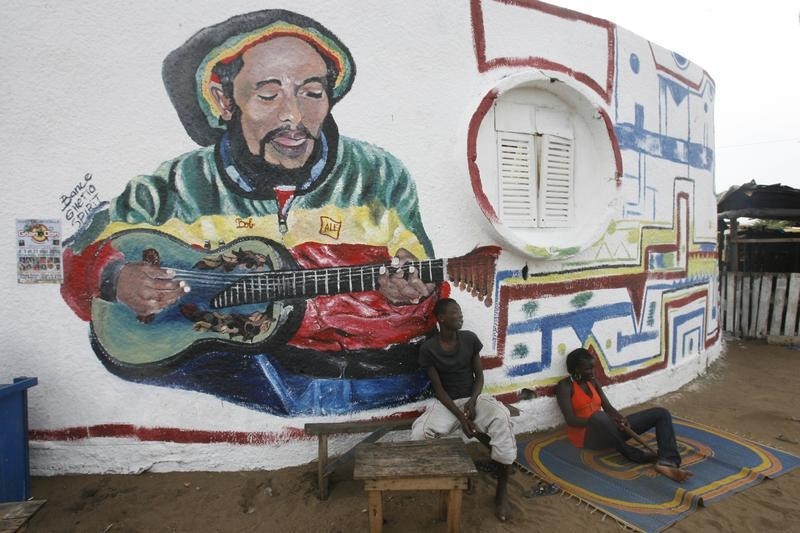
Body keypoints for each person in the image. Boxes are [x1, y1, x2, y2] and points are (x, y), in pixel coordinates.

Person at [60, 10, 439, 415]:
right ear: (225, 101)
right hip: (226, 383)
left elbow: (418, 267)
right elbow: (71, 258)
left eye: (312, 92)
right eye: (268, 95)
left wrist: (413, 291)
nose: (293, 117)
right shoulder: (178, 184)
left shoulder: (379, 175)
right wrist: (116, 277)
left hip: (364, 377)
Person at [411, 298, 516, 521]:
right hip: (447, 403)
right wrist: (461, 416)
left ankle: (502, 490)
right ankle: (455, 473)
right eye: (455, 313)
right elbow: (438, 389)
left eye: (460, 312)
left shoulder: (469, 339)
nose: (460, 316)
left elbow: (479, 377)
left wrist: (473, 401)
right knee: (420, 433)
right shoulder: (428, 349)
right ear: (441, 318)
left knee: (502, 417)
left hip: (473, 398)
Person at [556, 348, 692, 482]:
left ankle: (668, 461)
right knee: (598, 417)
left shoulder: (593, 382)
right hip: (588, 438)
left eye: (593, 368)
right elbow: (571, 420)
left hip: (609, 430)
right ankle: (635, 454)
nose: (592, 372)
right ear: (576, 370)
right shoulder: (565, 387)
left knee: (661, 413)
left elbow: (608, 408)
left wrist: (620, 419)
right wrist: (598, 421)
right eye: (588, 369)